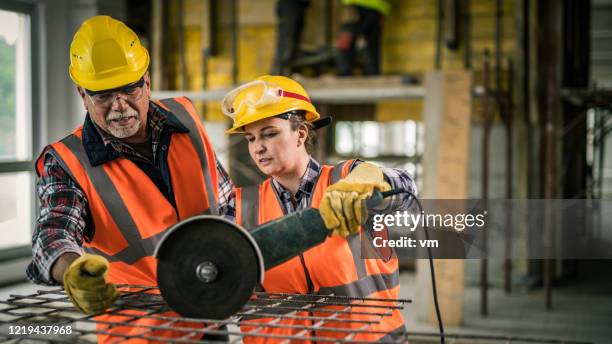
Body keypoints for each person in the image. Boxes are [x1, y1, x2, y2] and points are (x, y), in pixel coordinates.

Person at [27, 15, 234, 342]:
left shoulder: (186, 117)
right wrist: (73, 271)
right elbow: (53, 233)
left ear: (146, 82)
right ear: (83, 94)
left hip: (208, 312)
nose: (119, 106)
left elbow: (226, 202)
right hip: (136, 331)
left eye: (128, 89)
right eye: (103, 95)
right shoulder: (68, 162)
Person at [222, 75, 416, 342]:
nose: (259, 148)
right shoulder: (240, 205)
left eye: (270, 133)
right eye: (250, 138)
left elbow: (406, 189)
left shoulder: (347, 180)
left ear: (300, 133)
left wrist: (376, 182)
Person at [336, 0, 390, 76]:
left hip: (356, 4)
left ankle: (344, 73)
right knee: (372, 44)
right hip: (378, 7)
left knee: (346, 40)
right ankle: (373, 73)